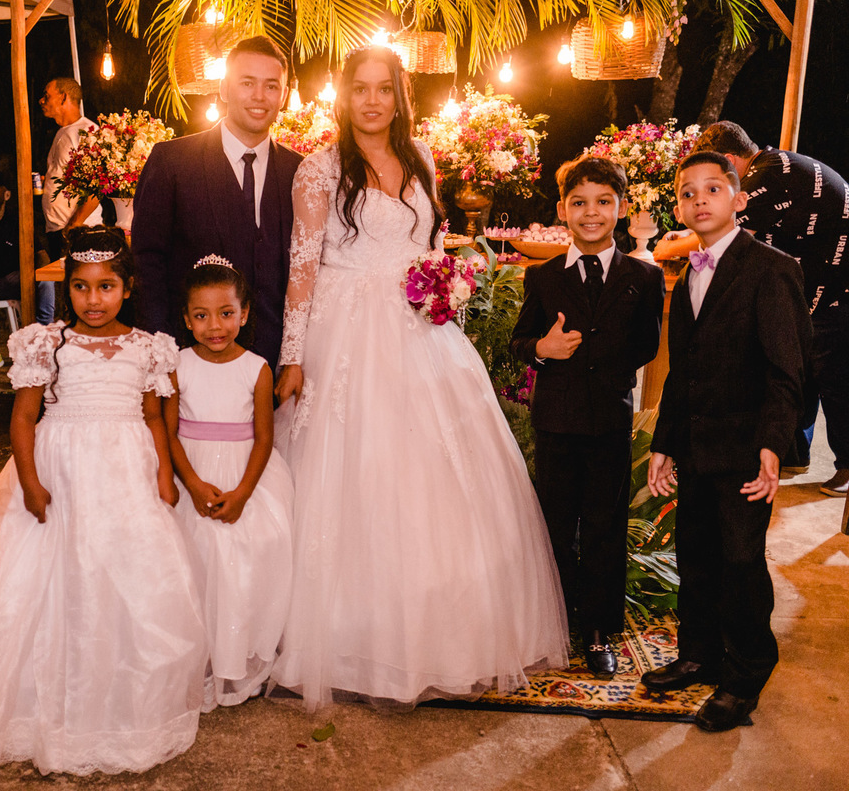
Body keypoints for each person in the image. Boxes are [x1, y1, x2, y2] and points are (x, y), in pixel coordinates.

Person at [269, 46, 568, 711]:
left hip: (418, 327)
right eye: (361, 90)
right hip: (343, 332)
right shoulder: (318, 169)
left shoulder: (425, 157)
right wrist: (293, 355)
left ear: (401, 97)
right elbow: (302, 267)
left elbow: (429, 243)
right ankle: (345, 638)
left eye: (384, 90)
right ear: (343, 97)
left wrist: (443, 280)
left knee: (434, 476)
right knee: (351, 474)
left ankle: (441, 635)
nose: (372, 101)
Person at [0, 226, 207, 776]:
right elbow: (24, 417)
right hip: (62, 472)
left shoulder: (149, 347)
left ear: (126, 289)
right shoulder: (46, 343)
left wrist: (166, 476)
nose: (92, 300)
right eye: (80, 287)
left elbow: (153, 417)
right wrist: (29, 481)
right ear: (67, 289)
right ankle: (48, 710)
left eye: (105, 287)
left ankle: (125, 709)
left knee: (128, 579)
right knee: (57, 583)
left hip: (127, 475)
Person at [642, 151, 810, 731]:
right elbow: (681, 373)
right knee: (696, 556)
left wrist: (773, 444)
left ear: (739, 199)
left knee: (740, 561)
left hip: (744, 451)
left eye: (713, 188)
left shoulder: (771, 268)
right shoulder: (688, 270)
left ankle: (745, 674)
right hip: (695, 446)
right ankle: (699, 654)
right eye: (688, 192)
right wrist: (665, 443)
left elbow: (788, 370)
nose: (699, 199)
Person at [509, 156, 665, 677]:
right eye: (579, 203)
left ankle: (599, 630)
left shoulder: (643, 277)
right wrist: (543, 350)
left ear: (621, 208)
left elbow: (646, 343)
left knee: (604, 526)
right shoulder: (544, 276)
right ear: (562, 210)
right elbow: (519, 342)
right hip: (556, 420)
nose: (591, 213)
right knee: (555, 524)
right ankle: (553, 621)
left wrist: (604, 361)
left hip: (610, 422)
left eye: (602, 202)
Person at [657, 122, 847, 497]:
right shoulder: (777, 165)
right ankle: (794, 453)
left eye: (715, 182)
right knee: (804, 366)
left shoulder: (771, 174)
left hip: (839, 288)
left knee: (835, 377)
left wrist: (668, 245)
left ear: (730, 160)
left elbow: (723, 226)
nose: (709, 194)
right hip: (818, 285)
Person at [165, 255, 293, 707]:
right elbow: (169, 432)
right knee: (195, 560)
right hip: (192, 475)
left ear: (243, 314)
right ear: (186, 319)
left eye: (225, 314)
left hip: (244, 476)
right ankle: (197, 659)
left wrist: (242, 492)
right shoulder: (176, 365)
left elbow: (263, 438)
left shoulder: (256, 368)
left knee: (245, 560)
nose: (214, 326)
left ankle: (238, 658)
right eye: (201, 316)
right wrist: (194, 485)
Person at [132, 36, 302, 372]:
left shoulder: (301, 172)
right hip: (191, 362)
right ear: (224, 88)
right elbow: (146, 261)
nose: (259, 96)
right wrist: (163, 351)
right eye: (247, 83)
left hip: (277, 366)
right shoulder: (172, 162)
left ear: (283, 95)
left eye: (271, 86)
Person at [0, 170, 54, 374]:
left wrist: (43, 273)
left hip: (14, 282)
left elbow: (41, 255)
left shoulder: (17, 221)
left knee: (37, 278)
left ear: (6, 195)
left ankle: (45, 339)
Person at [39, 77, 101, 259]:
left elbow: (95, 187)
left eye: (46, 96)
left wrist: (74, 225)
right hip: (58, 230)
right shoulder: (62, 132)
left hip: (79, 231)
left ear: (63, 97)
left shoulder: (87, 132)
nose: (41, 101)